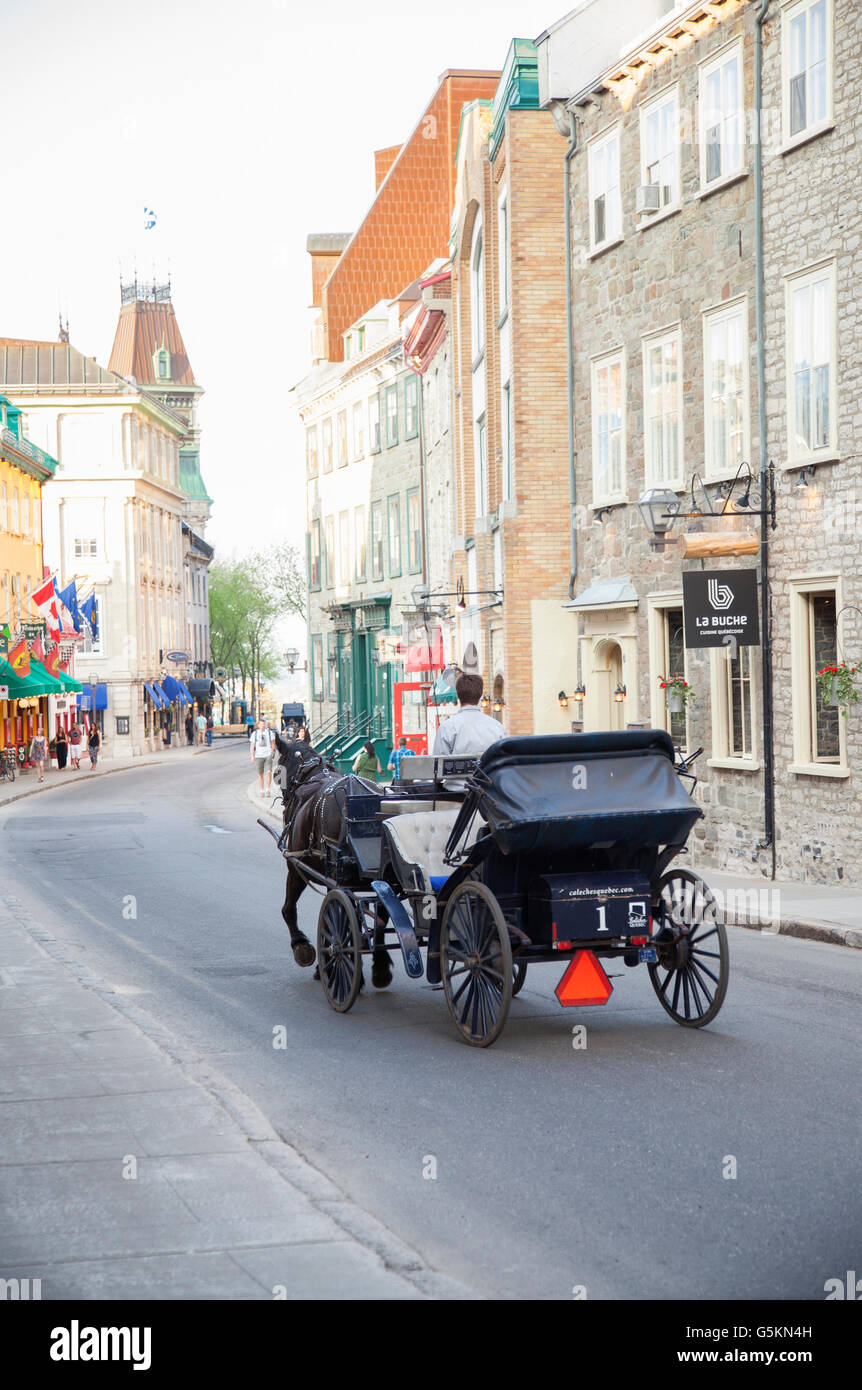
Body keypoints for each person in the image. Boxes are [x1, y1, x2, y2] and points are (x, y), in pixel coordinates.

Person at [432, 674, 503, 757]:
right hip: (489, 770)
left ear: (458, 695)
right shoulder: (497, 727)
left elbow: (439, 764)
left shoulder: (447, 728)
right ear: (480, 695)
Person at [250, 717, 274, 796]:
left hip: (268, 755)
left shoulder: (269, 733)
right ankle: (261, 790)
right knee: (260, 774)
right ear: (258, 725)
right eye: (261, 724)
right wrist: (252, 756)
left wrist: (272, 751)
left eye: (264, 724)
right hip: (258, 755)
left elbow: (273, 743)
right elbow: (252, 745)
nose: (263, 726)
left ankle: (268, 789)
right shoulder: (255, 734)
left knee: (269, 772)